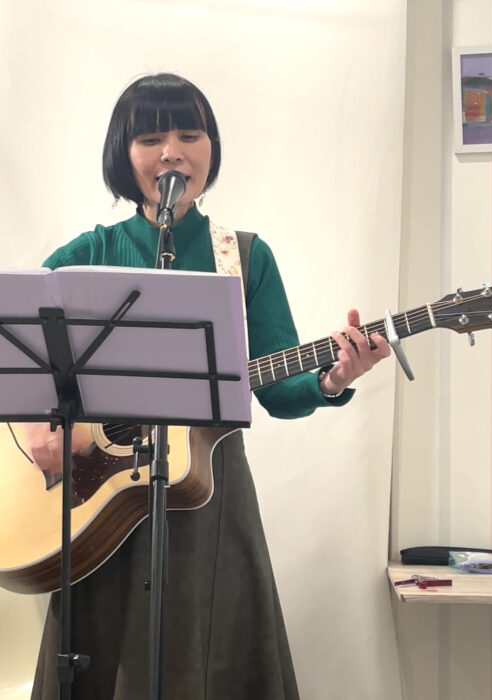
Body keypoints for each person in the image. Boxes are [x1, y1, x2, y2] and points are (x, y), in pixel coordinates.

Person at [29, 73, 390, 700]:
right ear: (124, 155)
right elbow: (24, 355)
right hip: (101, 506)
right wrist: (41, 424)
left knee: (213, 659)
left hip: (209, 499)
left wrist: (333, 377)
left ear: (210, 149)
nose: (172, 152)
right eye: (150, 139)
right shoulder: (87, 255)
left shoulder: (244, 257)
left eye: (189, 135)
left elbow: (281, 389)